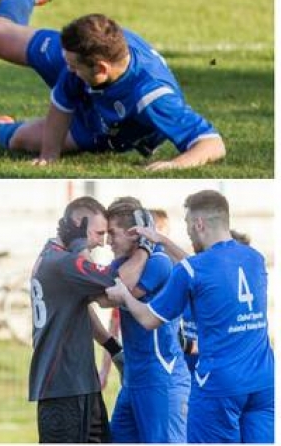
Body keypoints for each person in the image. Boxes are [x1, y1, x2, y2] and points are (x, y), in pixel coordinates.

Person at [0, 0, 226, 170]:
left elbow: (212, 144)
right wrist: (50, 156)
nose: (66, 66)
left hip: (101, 127)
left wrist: (175, 165)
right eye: (67, 59)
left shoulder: (152, 96)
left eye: (72, 63)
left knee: (22, 140)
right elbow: (62, 98)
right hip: (88, 71)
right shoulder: (83, 57)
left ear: (99, 68)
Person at [107, 190, 274, 444]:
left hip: (219, 386)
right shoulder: (255, 259)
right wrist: (161, 240)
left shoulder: (191, 269)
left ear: (199, 224)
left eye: (187, 225)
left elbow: (148, 319)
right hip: (263, 382)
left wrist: (124, 297)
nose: (186, 233)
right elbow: (210, 272)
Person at [28, 196, 146, 443]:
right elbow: (117, 284)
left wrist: (113, 347)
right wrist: (146, 250)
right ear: (78, 225)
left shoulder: (51, 254)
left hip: (80, 382)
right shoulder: (65, 262)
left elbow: (81, 307)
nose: (101, 242)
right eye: (98, 233)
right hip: (63, 385)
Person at [104, 198, 189, 443]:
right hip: (134, 379)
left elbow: (111, 294)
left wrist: (145, 248)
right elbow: (99, 291)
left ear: (134, 234)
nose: (108, 241)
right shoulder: (124, 261)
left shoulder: (159, 262)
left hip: (161, 379)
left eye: (112, 233)